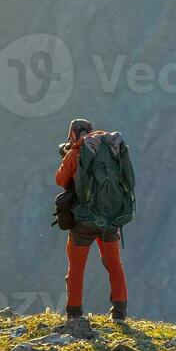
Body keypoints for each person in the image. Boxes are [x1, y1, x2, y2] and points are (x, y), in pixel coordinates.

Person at [55, 119, 129, 321]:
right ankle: (120, 311)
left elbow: (61, 180)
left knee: (77, 265)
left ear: (72, 134)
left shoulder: (76, 152)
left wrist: (68, 157)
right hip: (111, 219)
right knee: (113, 262)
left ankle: (74, 312)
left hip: (84, 221)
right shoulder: (110, 150)